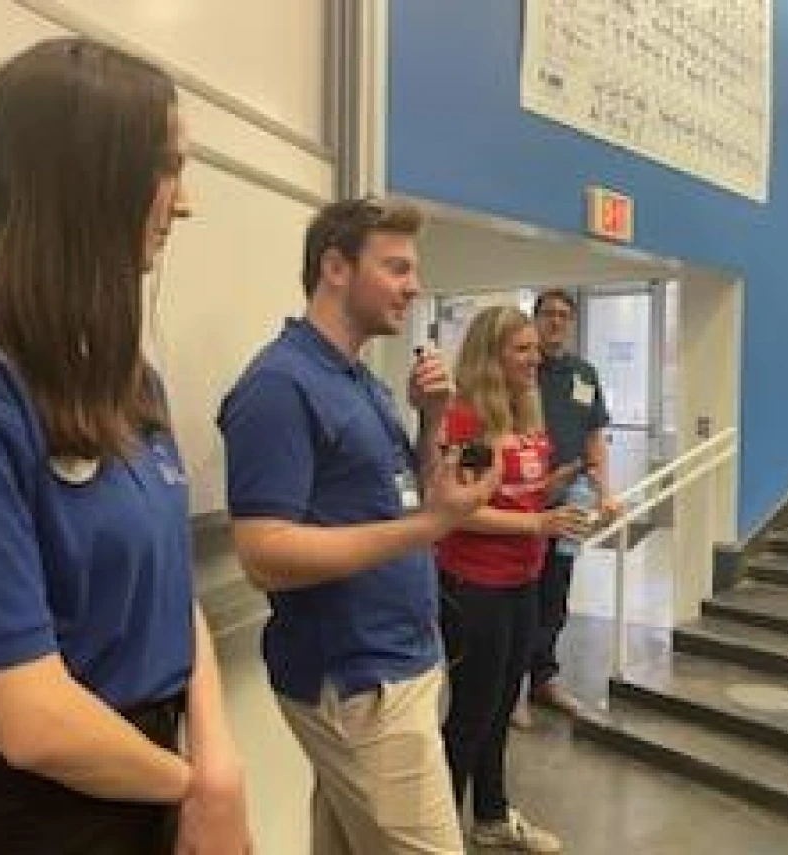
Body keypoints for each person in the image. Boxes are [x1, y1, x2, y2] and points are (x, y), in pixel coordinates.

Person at [0, 39, 250, 855]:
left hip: (151, 779)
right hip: (32, 818)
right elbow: (32, 718)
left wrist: (217, 770)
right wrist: (191, 788)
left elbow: (173, 596)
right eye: (168, 168)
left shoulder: (129, 377)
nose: (184, 203)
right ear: (91, 177)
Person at [218, 197, 498, 854]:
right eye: (397, 268)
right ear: (336, 267)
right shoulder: (279, 386)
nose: (415, 286)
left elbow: (407, 500)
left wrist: (431, 418)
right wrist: (432, 524)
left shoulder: (362, 383)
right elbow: (263, 553)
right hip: (360, 678)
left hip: (400, 661)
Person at [435, 306, 584, 853]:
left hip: (525, 578)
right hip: (476, 586)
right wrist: (536, 521)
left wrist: (555, 494)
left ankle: (492, 817)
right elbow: (462, 512)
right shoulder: (466, 418)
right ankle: (441, 830)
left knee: (501, 705)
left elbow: (522, 491)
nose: (534, 358)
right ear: (490, 356)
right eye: (521, 349)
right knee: (472, 711)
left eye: (533, 349)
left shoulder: (527, 414)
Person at [525, 288, 621, 717]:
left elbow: (593, 437)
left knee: (555, 593)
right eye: (549, 314)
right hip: (526, 502)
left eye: (565, 315)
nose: (557, 322)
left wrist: (606, 492)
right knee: (522, 594)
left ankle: (544, 678)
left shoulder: (584, 375)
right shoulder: (521, 369)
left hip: (573, 501)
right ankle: (512, 689)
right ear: (536, 318)